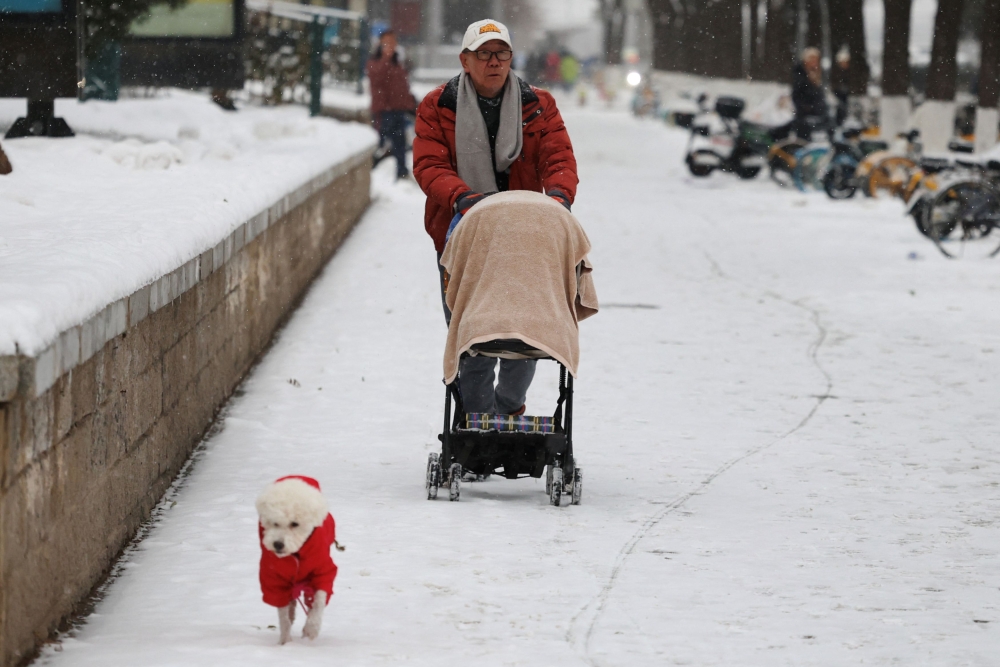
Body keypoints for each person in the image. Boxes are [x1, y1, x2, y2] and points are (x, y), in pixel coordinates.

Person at [412, 18, 578, 416]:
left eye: (501, 53)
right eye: (484, 54)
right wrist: (462, 198)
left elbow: (558, 156)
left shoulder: (537, 104)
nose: (494, 62)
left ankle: (507, 410)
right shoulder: (438, 106)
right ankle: (476, 419)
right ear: (465, 60)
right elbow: (429, 165)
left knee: (526, 333)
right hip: (463, 234)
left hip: (523, 237)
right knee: (473, 335)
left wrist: (557, 196)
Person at [367, 30, 416, 179]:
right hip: (384, 111)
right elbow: (377, 79)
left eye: (393, 42)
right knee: (381, 144)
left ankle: (401, 172)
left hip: (399, 110)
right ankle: (373, 172)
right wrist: (385, 58)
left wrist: (412, 105)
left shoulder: (398, 63)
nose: (391, 46)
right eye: (387, 42)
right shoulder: (375, 62)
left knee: (400, 143)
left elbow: (402, 87)